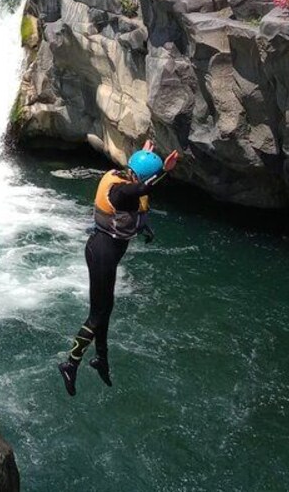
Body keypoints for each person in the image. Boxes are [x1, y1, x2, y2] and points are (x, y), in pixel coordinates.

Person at [58, 140, 178, 396]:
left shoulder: (119, 176)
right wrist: (165, 171)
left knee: (106, 309)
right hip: (102, 251)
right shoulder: (122, 191)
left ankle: (101, 359)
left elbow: (138, 190)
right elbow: (142, 188)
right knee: (97, 315)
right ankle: (70, 363)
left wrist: (143, 154)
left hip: (104, 251)